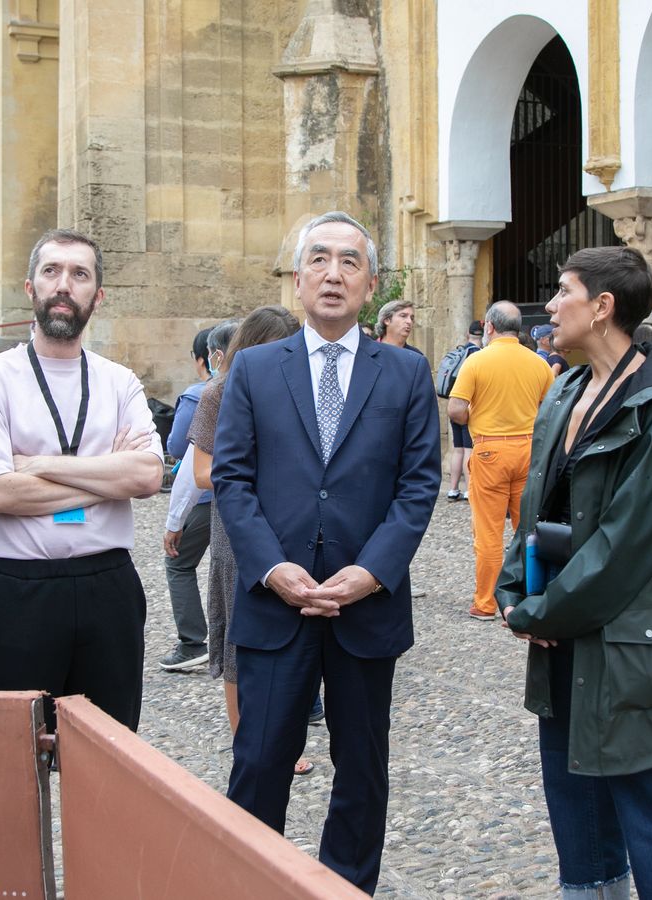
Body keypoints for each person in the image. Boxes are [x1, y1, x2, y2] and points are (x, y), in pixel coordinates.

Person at [497, 246, 652, 899]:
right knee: (573, 790)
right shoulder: (568, 388)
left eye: (562, 291)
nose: (548, 306)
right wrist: (515, 586)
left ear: (603, 307)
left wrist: (540, 613)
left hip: (635, 638)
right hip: (567, 627)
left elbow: (629, 542)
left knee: (648, 796)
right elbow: (536, 506)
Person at [212, 212, 440, 894]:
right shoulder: (252, 368)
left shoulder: (403, 373)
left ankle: (346, 886)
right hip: (273, 604)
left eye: (348, 262)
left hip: (362, 610)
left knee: (363, 770)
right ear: (298, 278)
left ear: (370, 284)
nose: (333, 272)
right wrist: (271, 567)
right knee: (257, 762)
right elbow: (231, 477)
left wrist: (371, 573)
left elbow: (418, 485)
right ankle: (253, 885)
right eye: (319, 259)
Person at [0, 228, 164, 730]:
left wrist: (36, 464)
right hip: (18, 590)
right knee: (10, 753)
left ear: (97, 296)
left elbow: (146, 475)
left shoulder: (119, 381)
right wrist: (103, 477)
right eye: (51, 271)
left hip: (107, 587)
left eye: (79, 275)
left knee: (109, 752)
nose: (64, 285)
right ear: (30, 288)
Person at [190, 310, 318, 777]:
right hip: (238, 529)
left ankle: (280, 737)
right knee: (238, 639)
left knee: (286, 634)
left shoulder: (289, 386)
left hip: (287, 525)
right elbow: (203, 473)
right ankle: (247, 738)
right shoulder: (219, 392)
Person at [448, 301, 553, 622]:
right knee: (528, 528)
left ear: (489, 327)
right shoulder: (539, 364)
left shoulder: (477, 361)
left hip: (490, 450)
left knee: (489, 531)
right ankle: (529, 594)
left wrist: (474, 415)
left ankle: (486, 602)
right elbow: (550, 407)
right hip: (528, 451)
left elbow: (455, 409)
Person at [157, 325, 217, 672]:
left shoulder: (198, 395)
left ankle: (192, 641)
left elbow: (179, 447)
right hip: (239, 497)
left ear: (203, 360)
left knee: (178, 563)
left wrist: (173, 521)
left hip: (204, 498)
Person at [442, 320, 483, 501]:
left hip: (454, 404)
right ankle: (468, 489)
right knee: (469, 450)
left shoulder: (460, 351)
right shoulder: (479, 355)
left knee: (457, 449)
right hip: (468, 408)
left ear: (468, 334)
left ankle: (452, 489)